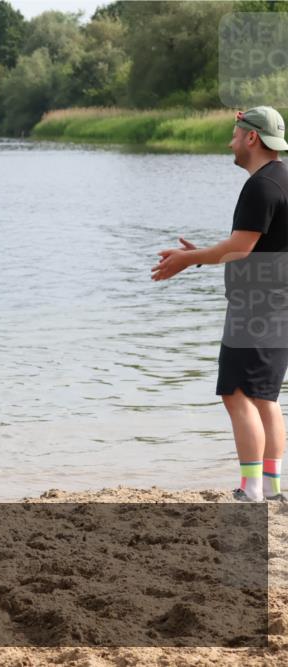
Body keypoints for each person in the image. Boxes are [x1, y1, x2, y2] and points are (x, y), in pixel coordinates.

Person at [152, 106, 288, 502]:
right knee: (264, 395)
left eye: (234, 133)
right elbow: (259, 250)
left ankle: (250, 490)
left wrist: (188, 259)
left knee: (237, 393)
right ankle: (271, 487)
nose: (229, 141)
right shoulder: (281, 180)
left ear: (252, 138)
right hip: (277, 303)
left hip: (256, 310)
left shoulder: (261, 186)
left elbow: (241, 248)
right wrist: (205, 256)